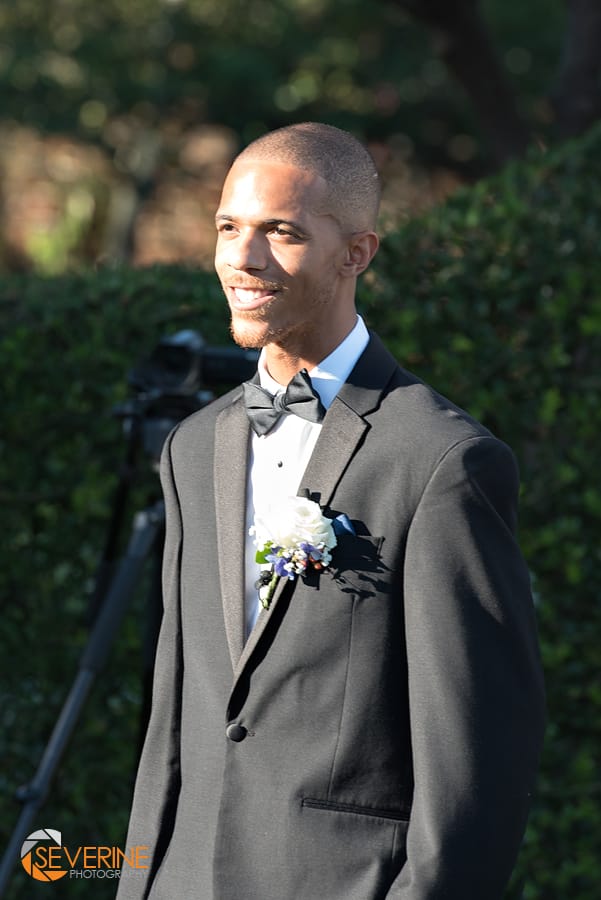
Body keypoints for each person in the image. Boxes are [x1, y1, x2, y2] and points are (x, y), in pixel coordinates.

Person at [117, 122, 545, 900]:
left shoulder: (442, 461)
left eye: (279, 232)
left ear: (357, 253)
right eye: (227, 228)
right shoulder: (192, 445)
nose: (241, 259)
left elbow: (478, 764)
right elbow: (175, 720)